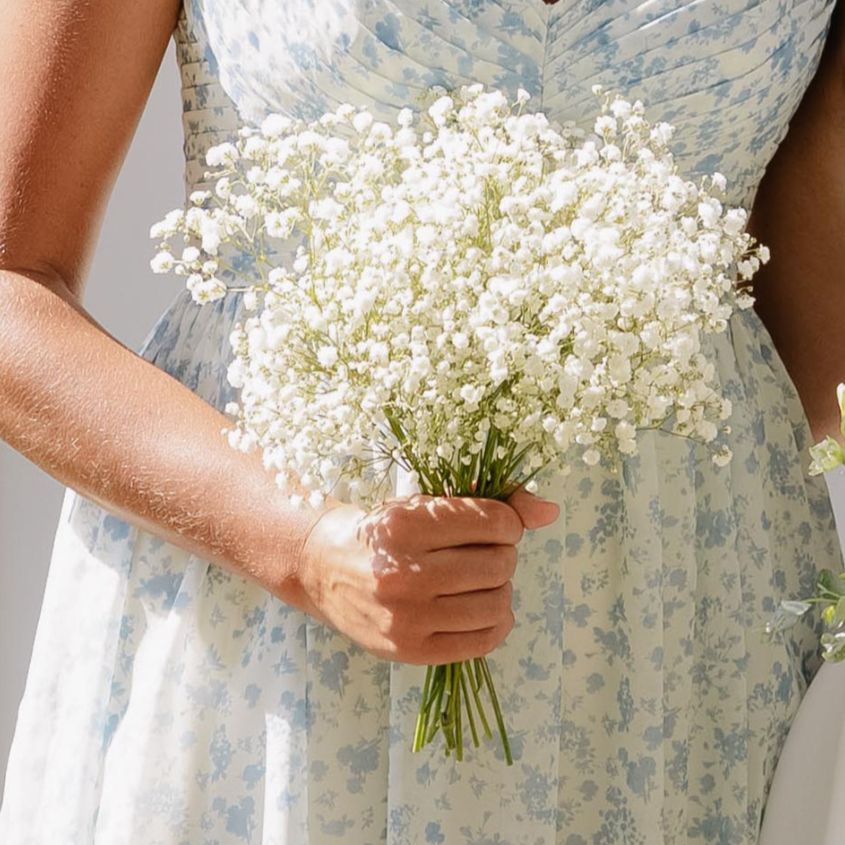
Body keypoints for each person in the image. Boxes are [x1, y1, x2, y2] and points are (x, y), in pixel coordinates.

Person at [0, 0, 842, 842]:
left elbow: (791, 348)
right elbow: (12, 290)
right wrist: (304, 545)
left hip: (686, 644)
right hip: (269, 638)